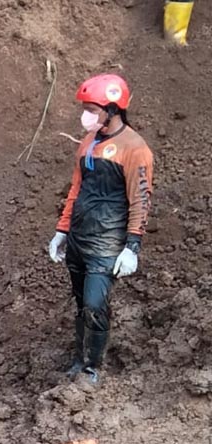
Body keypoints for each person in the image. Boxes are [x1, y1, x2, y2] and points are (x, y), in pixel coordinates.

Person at [48, 74, 153, 383]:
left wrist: (132, 246)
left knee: (95, 304)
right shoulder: (88, 143)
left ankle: (92, 367)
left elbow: (141, 199)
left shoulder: (134, 148)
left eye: (92, 110)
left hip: (107, 243)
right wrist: (62, 230)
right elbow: (76, 189)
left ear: (112, 110)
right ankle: (78, 359)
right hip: (79, 239)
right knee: (81, 303)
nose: (86, 116)